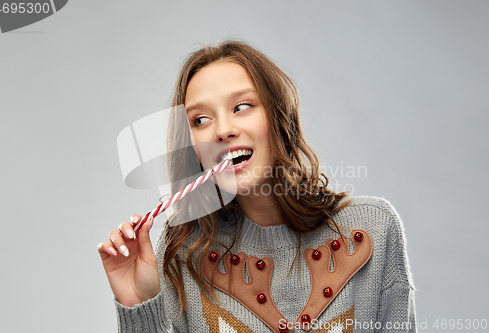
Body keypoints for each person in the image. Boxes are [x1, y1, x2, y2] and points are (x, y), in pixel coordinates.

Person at [98, 40, 416, 333]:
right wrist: (140, 304)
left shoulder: (374, 227)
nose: (223, 130)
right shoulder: (184, 250)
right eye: (200, 120)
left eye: (242, 107)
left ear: (277, 117)